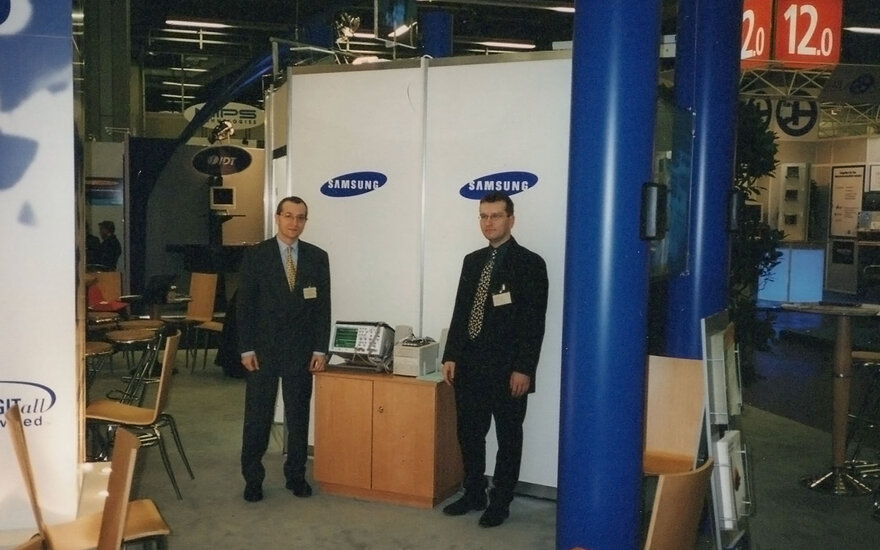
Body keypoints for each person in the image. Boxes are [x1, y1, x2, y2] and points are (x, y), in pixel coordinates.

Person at [441, 191, 548, 528]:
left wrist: (524, 369)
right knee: (469, 434)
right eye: (484, 216)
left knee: (508, 438)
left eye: (496, 216)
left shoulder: (530, 263)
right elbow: (461, 312)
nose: (489, 223)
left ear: (511, 219)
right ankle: (474, 492)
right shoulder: (472, 261)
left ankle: (500, 501)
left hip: (508, 370)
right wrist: (451, 355)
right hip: (470, 366)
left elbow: (534, 322)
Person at [237, 196, 331, 503]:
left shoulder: (317, 257)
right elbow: (244, 306)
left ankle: (296, 475)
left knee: (298, 417)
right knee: (257, 418)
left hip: (301, 351)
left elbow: (323, 309)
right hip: (262, 352)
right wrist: (246, 348)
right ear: (277, 218)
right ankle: (253, 479)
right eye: (288, 216)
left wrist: (320, 349)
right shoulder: (256, 255)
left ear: (305, 221)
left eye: (300, 217)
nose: (294, 222)